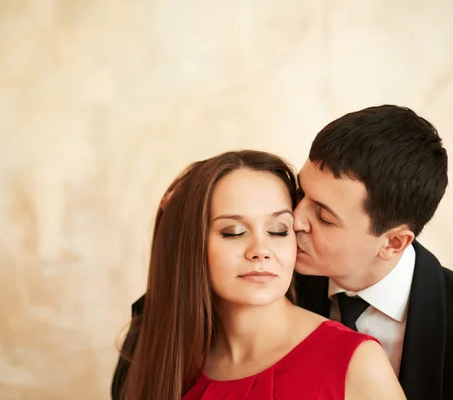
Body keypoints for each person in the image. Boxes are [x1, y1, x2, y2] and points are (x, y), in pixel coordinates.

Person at [113, 105, 453, 399]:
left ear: (392, 242)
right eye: (301, 194)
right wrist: (182, 221)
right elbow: (176, 307)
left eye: (323, 215)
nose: (295, 221)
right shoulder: (266, 273)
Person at [114, 150, 406, 399]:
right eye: (234, 232)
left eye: (279, 230)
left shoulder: (356, 362)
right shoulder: (154, 353)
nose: (260, 250)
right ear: (190, 245)